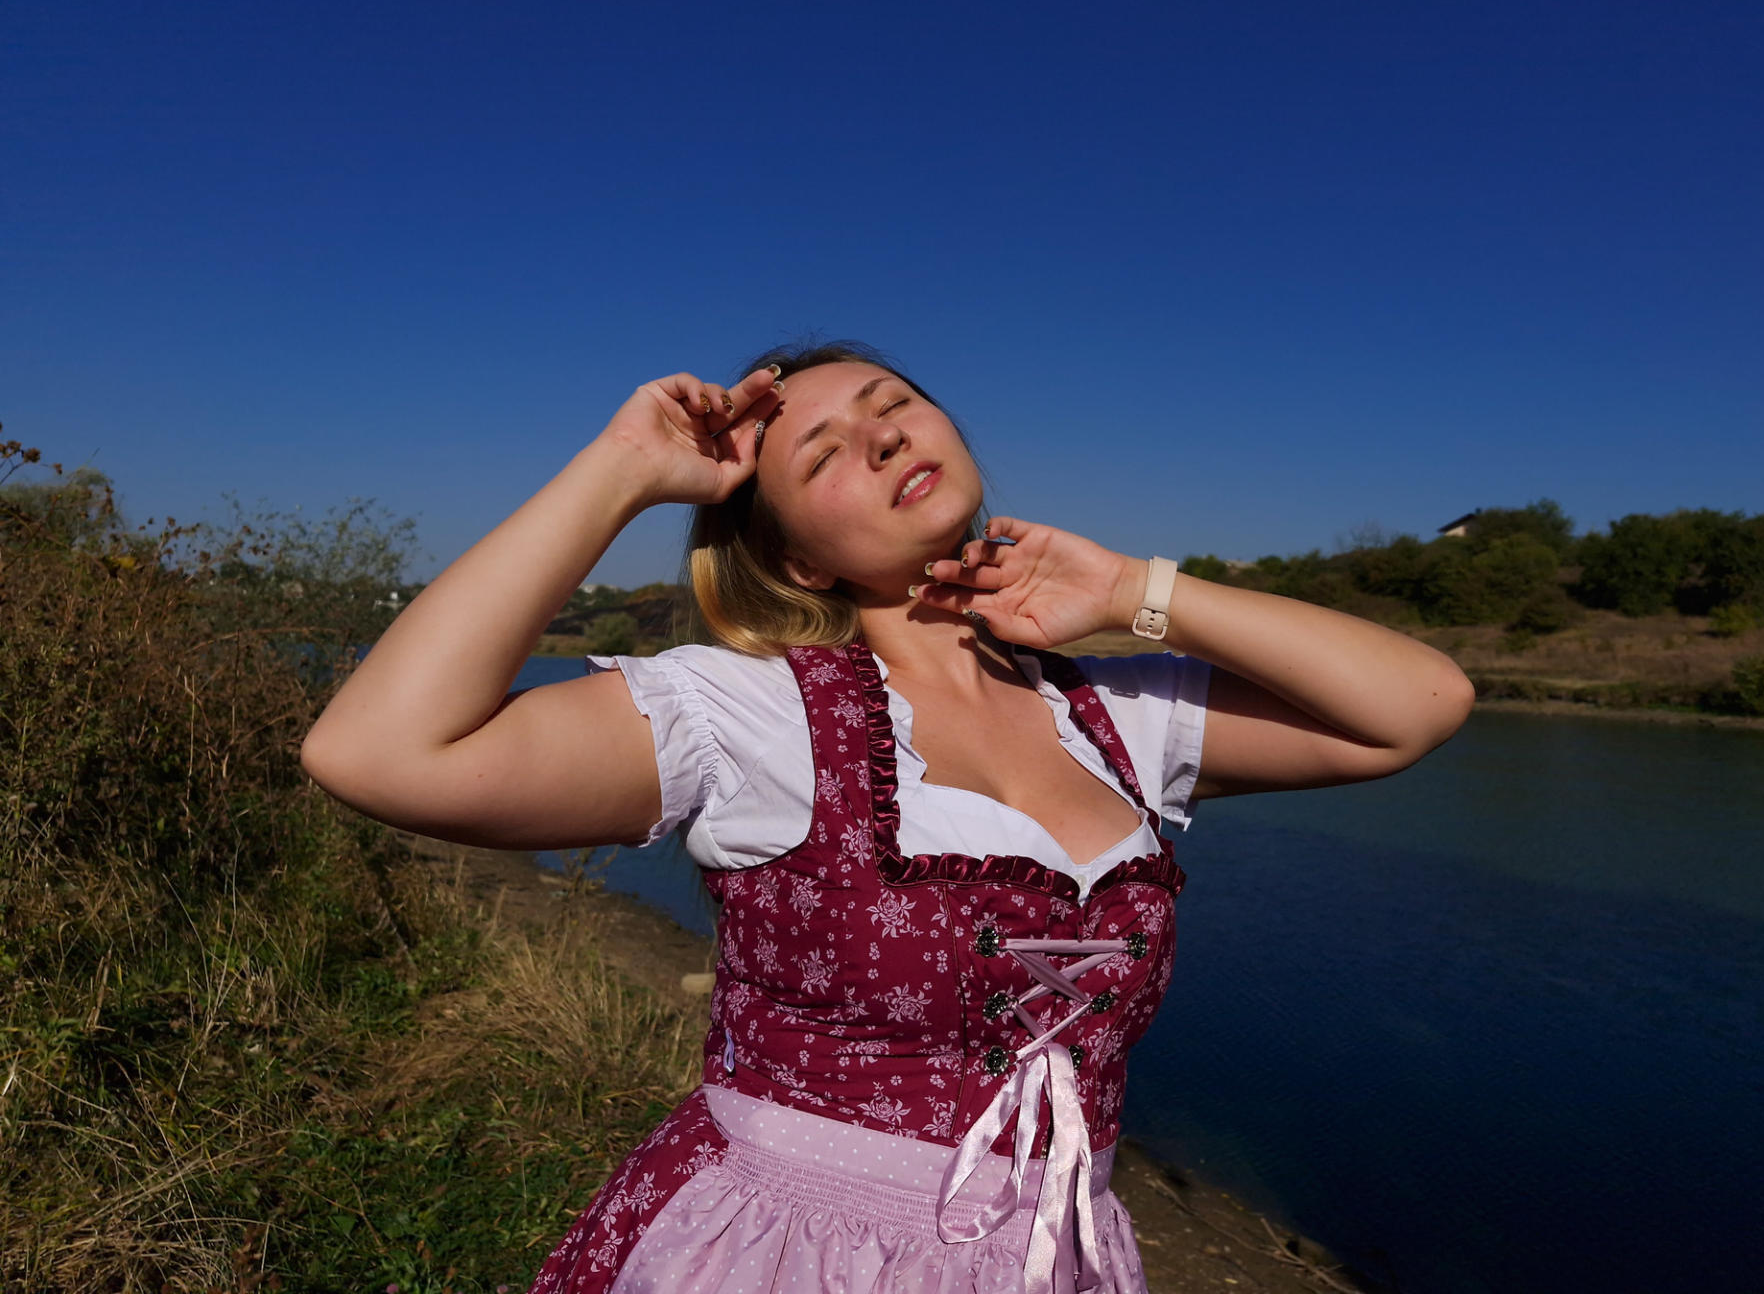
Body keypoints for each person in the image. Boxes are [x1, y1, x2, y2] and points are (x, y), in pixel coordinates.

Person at [301, 342, 1475, 1294]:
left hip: (1049, 1258)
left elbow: (1415, 707)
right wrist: (619, 469)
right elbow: (377, 753)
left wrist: (1134, 591)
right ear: (797, 560)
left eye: (893, 404)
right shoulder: (752, 716)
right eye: (824, 454)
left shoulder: (1114, 717)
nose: (882, 438)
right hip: (781, 1258)